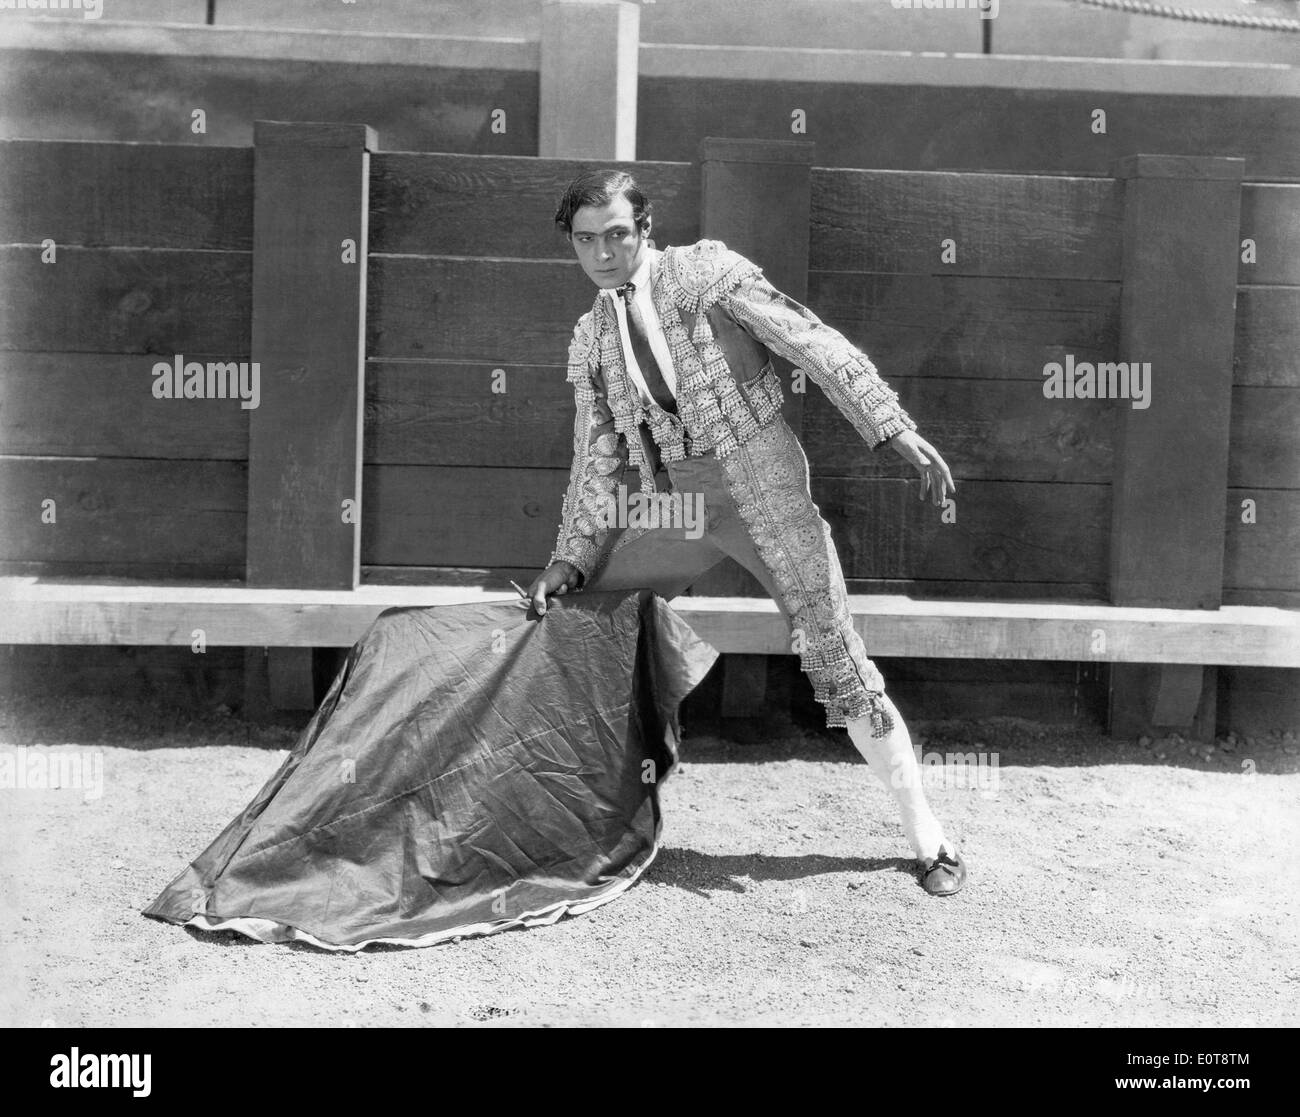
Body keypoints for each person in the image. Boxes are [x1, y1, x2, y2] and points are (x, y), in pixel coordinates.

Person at [524, 169, 967, 895]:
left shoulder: (708, 274)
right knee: (584, 616)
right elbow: (595, 455)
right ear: (571, 246)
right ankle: (598, 817)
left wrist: (886, 424)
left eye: (616, 234)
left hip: (762, 487)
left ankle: (928, 836)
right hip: (679, 502)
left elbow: (809, 340)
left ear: (644, 228)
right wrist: (569, 558)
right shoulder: (591, 337)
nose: (602, 252)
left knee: (836, 653)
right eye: (585, 240)